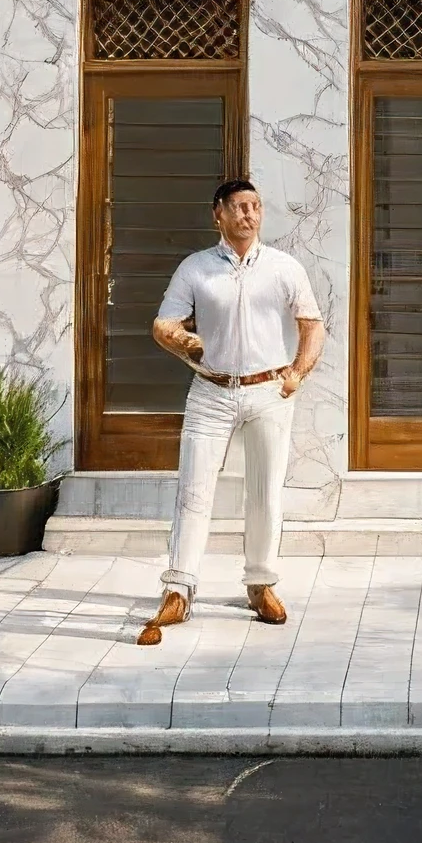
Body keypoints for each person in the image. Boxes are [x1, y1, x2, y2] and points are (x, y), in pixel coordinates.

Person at [136, 176, 325, 643]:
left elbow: (312, 325)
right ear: (217, 213)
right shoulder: (196, 269)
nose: (249, 214)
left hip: (269, 392)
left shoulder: (284, 267)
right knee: (193, 491)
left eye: (256, 206)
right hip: (210, 391)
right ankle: (179, 589)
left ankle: (261, 585)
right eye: (239, 206)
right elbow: (164, 322)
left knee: (265, 494)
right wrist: (179, 339)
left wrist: (297, 373)